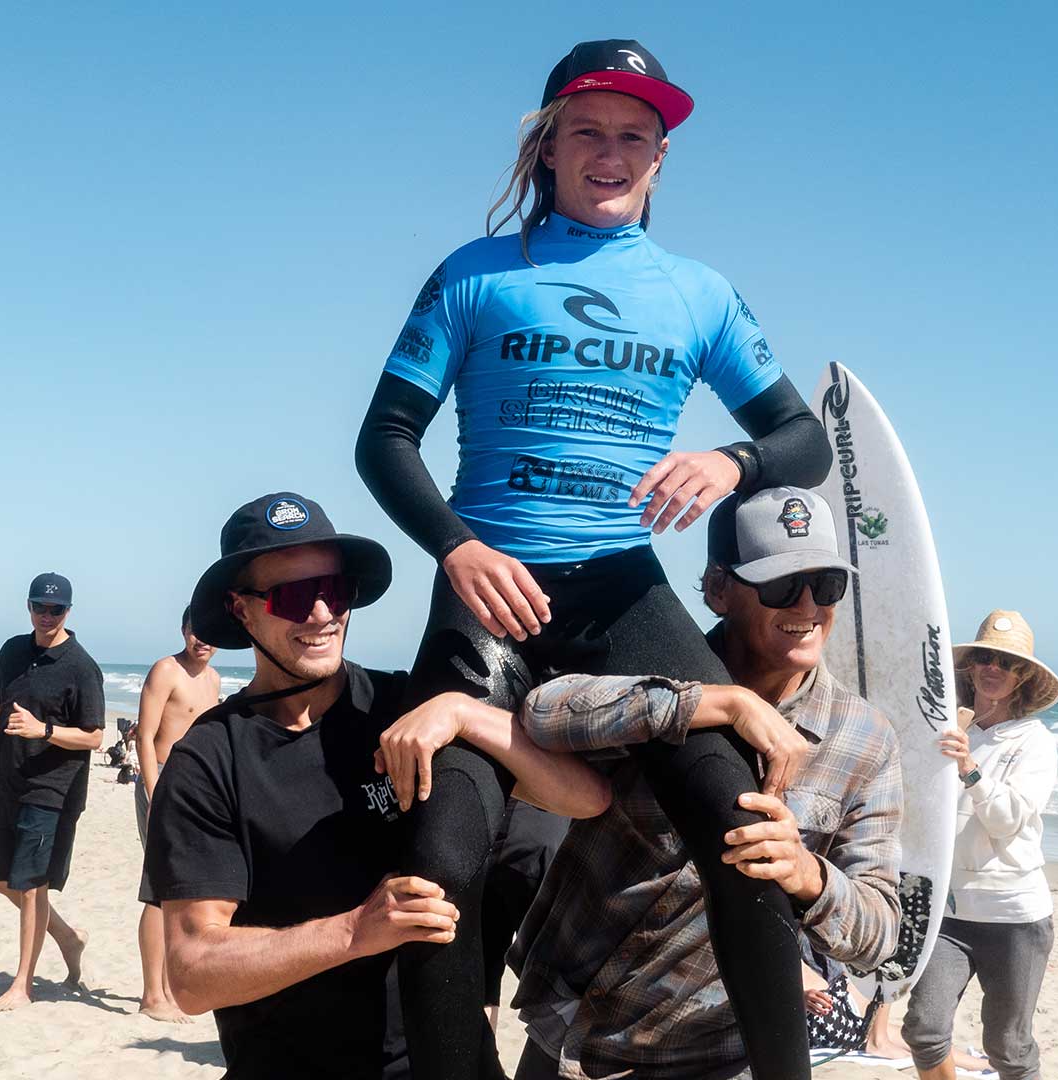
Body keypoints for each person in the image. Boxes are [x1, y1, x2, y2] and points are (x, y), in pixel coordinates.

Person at [354, 38, 832, 1078]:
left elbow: (807, 439)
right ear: (546, 148)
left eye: (635, 137)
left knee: (742, 814)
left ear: (659, 160)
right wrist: (458, 546)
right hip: (492, 597)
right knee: (437, 866)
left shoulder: (698, 294)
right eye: (588, 131)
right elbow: (384, 437)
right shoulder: (475, 275)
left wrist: (730, 458)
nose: (611, 153)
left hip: (622, 593)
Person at [145, 492, 610, 1080]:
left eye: (334, 592)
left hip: (451, 1059)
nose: (320, 614)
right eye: (291, 597)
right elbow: (189, 974)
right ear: (241, 611)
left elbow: (583, 797)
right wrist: (353, 931)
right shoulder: (208, 761)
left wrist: (467, 716)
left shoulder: (408, 708)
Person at [504, 488, 901, 1078]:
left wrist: (807, 875)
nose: (808, 605)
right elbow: (542, 712)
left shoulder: (865, 739)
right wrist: (707, 705)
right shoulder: (652, 665)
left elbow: (879, 931)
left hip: (716, 1051)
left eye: (827, 585)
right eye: (782, 585)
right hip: (568, 1032)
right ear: (718, 589)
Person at [901, 611, 1058, 1080]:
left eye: (1007, 663)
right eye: (985, 658)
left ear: (1024, 677)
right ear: (970, 667)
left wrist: (969, 768)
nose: (994, 668)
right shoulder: (943, 730)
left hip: (1014, 916)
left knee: (1008, 1047)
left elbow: (1008, 819)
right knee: (924, 1029)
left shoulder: (1034, 742)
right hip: (948, 911)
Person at [0, 572, 105, 1012]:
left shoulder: (81, 666)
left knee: (31, 887)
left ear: (68, 611)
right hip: (9, 780)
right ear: (28, 607)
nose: (47, 616)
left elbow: (95, 737)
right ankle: (67, 935)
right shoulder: (12, 651)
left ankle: (22, 985)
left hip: (52, 789)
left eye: (56, 609)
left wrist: (44, 730)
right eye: (39, 608)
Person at [131, 607, 222, 1023]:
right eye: (194, 631)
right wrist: (154, 795)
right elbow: (145, 738)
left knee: (183, 888)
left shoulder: (214, 680)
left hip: (195, 788)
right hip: (163, 782)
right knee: (160, 890)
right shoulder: (166, 670)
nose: (201, 640)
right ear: (183, 630)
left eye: (208, 633)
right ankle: (152, 994)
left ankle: (169, 988)